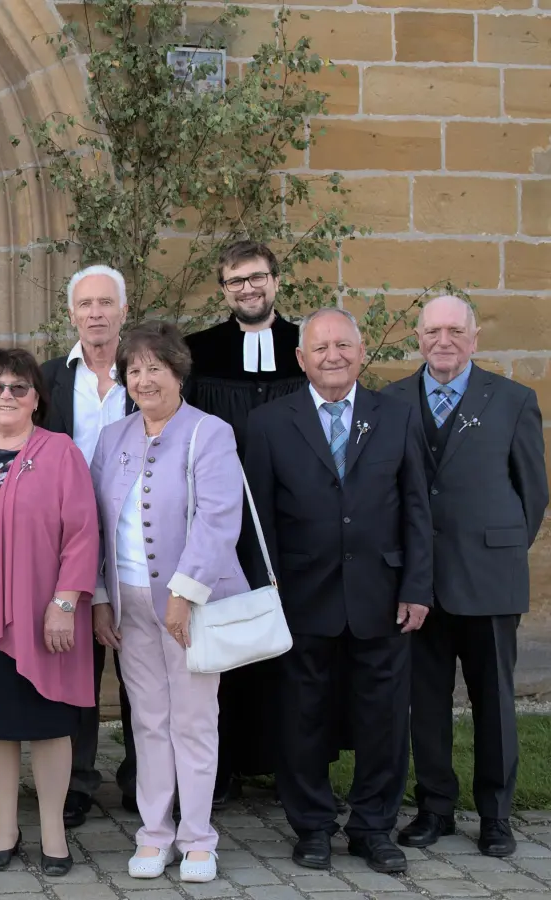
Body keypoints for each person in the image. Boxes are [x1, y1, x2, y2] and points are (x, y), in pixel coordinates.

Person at [243, 307, 433, 874]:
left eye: (343, 346)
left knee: (383, 719)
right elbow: (258, 521)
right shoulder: (270, 423)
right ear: (300, 359)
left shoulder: (396, 416)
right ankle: (313, 826)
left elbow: (418, 509)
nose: (332, 356)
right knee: (303, 716)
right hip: (301, 596)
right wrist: (264, 591)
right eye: (320, 347)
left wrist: (417, 585)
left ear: (360, 351)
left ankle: (374, 827)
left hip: (382, 594)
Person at [386, 296, 548, 858]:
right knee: (424, 702)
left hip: (488, 577)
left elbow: (532, 495)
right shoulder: (392, 402)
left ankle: (496, 814)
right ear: (419, 337)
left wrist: (496, 552)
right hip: (418, 585)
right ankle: (435, 808)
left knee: (495, 702)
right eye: (433, 331)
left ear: (475, 338)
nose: (444, 341)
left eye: (456, 330)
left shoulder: (512, 400)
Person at [89, 322, 246, 884]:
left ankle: (199, 836)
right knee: (149, 723)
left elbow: (219, 520)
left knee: (195, 721)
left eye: (156, 367)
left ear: (178, 371)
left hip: (189, 604)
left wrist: (184, 594)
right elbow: (97, 528)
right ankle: (155, 833)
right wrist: (102, 598)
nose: (144, 378)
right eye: (134, 369)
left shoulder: (211, 432)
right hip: (127, 601)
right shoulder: (112, 439)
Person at [0, 348, 98, 878]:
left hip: (44, 613)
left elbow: (82, 532)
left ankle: (53, 830)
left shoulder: (59, 451)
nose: (5, 396)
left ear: (37, 398)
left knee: (51, 722)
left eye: (18, 388)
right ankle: (4, 828)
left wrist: (64, 603)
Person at [182, 240, 308, 801]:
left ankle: (292, 766)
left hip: (295, 518)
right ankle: (225, 766)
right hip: (223, 520)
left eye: (257, 278)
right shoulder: (199, 352)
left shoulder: (309, 345)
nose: (248, 289)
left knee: (291, 642)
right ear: (224, 289)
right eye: (236, 281)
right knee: (226, 636)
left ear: (276, 281)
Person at [38, 265, 138, 827]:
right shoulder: (52, 377)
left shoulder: (146, 372)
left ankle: (143, 777)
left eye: (106, 303)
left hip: (136, 538)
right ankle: (76, 780)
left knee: (140, 663)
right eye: (86, 304)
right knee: (75, 665)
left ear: (123, 311)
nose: (96, 313)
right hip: (70, 542)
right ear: (71, 314)